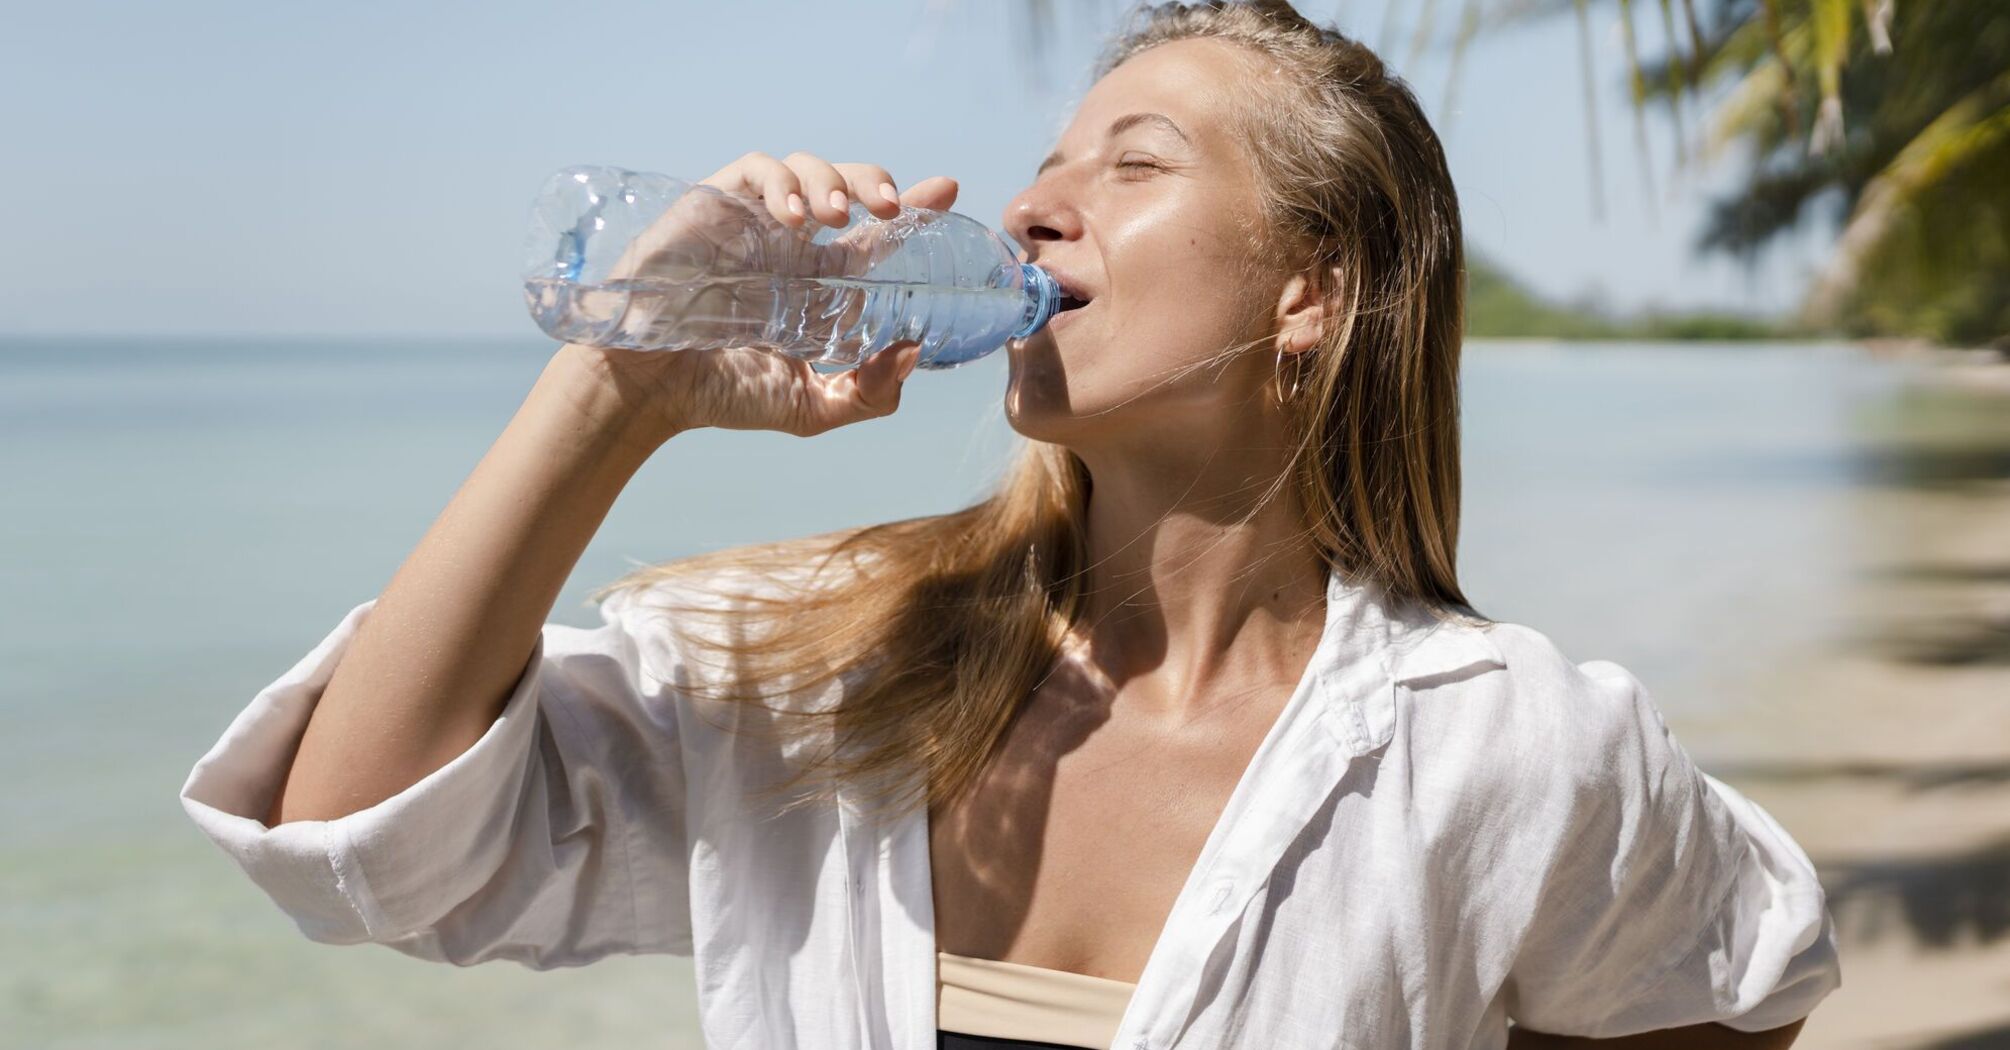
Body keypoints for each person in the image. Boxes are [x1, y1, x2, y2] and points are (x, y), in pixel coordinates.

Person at [178, 2, 1842, 1048]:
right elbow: (363, 850)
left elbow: (1717, 994)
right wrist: (621, 389)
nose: (1032, 203)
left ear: (1309, 295)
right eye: (1045, 159)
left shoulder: (1508, 750)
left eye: (1134, 163)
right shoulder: (836, 670)